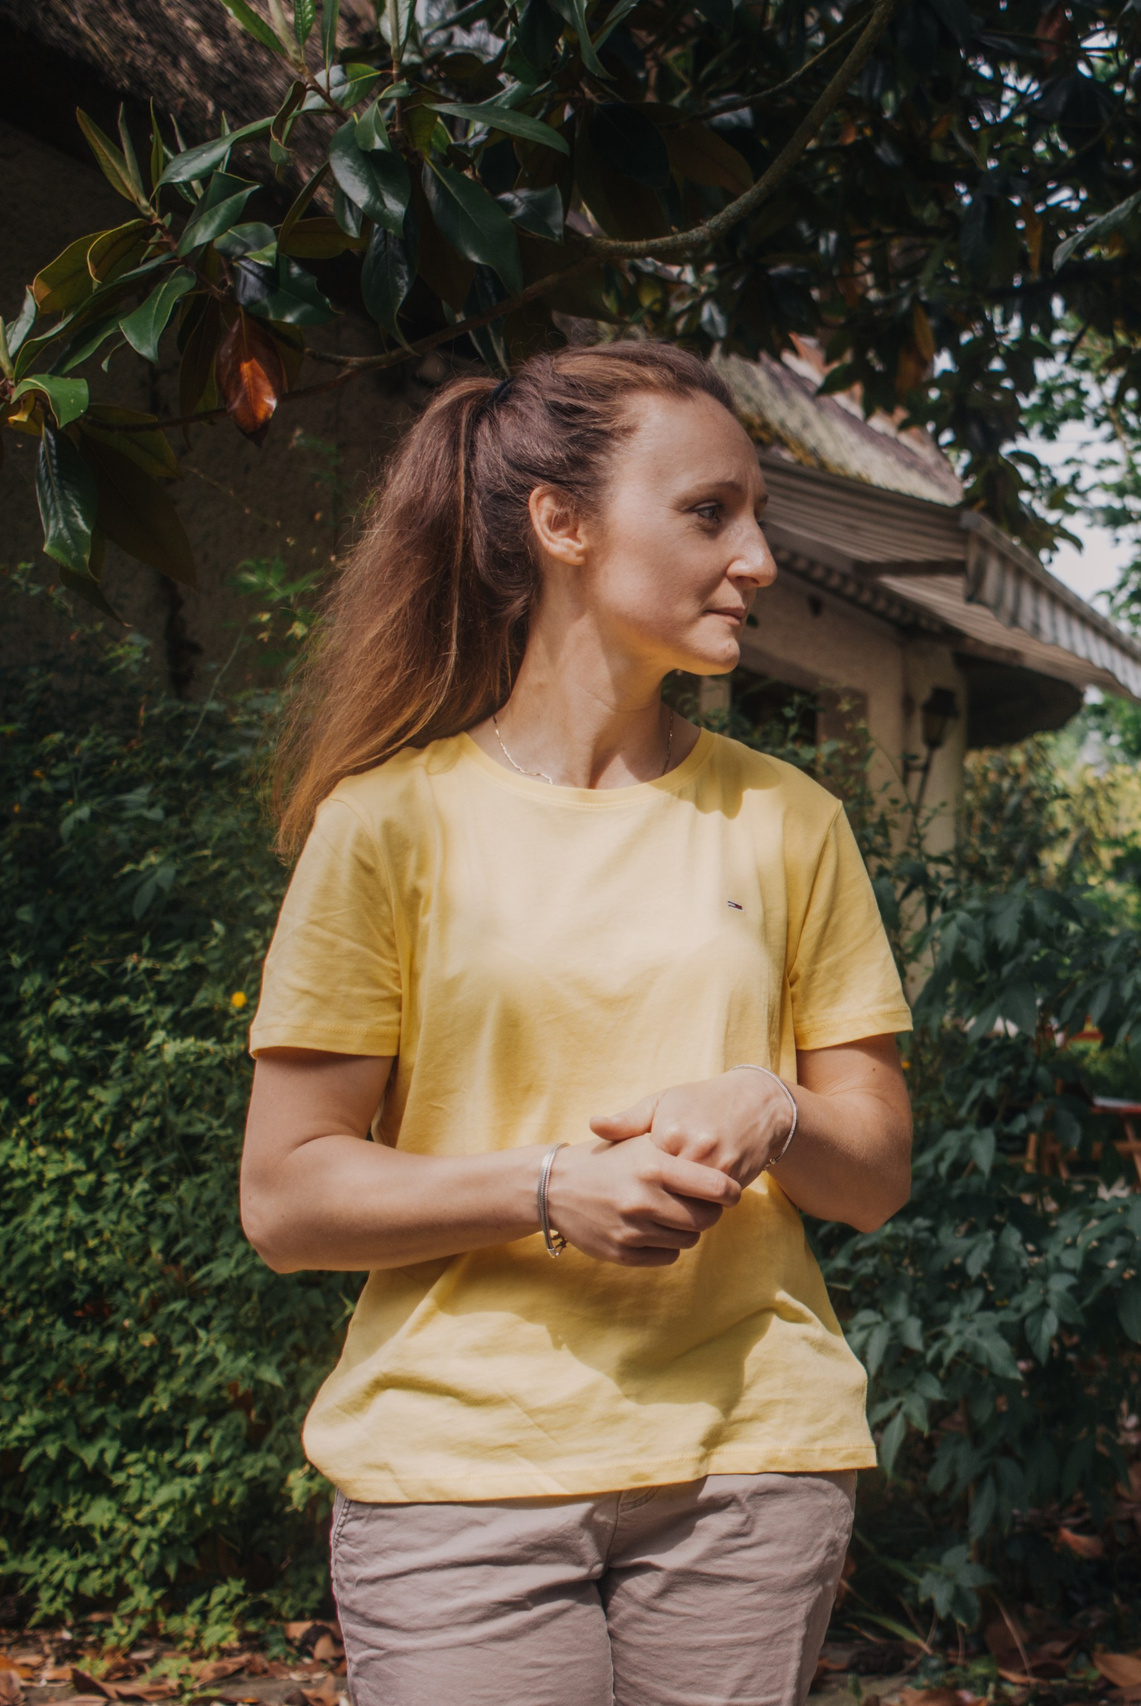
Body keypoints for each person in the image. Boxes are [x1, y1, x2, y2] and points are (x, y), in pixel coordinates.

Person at [239, 341, 916, 1706]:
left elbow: (877, 1171)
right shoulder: (389, 825)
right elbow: (287, 1192)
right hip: (459, 1475)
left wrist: (774, 1105)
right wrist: (552, 1187)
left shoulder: (792, 820)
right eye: (710, 511)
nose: (761, 558)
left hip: (748, 1466)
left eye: (759, 515)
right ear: (561, 523)